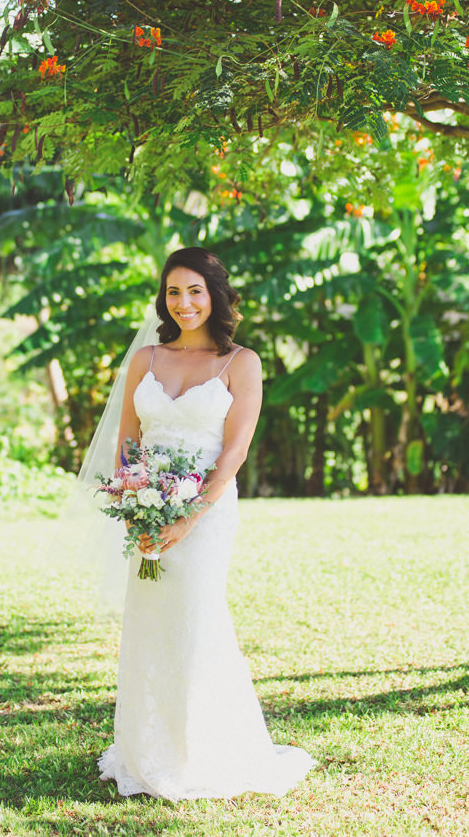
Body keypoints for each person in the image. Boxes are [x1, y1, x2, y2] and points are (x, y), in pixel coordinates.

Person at [98, 247, 316, 800]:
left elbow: (235, 451)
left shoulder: (241, 362)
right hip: (146, 511)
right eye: (173, 292)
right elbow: (128, 443)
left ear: (215, 294)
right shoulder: (146, 359)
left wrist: (188, 518)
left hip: (207, 509)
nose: (184, 302)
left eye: (194, 290)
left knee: (197, 618)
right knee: (149, 619)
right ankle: (148, 749)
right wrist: (134, 503)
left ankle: (205, 749)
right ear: (163, 299)